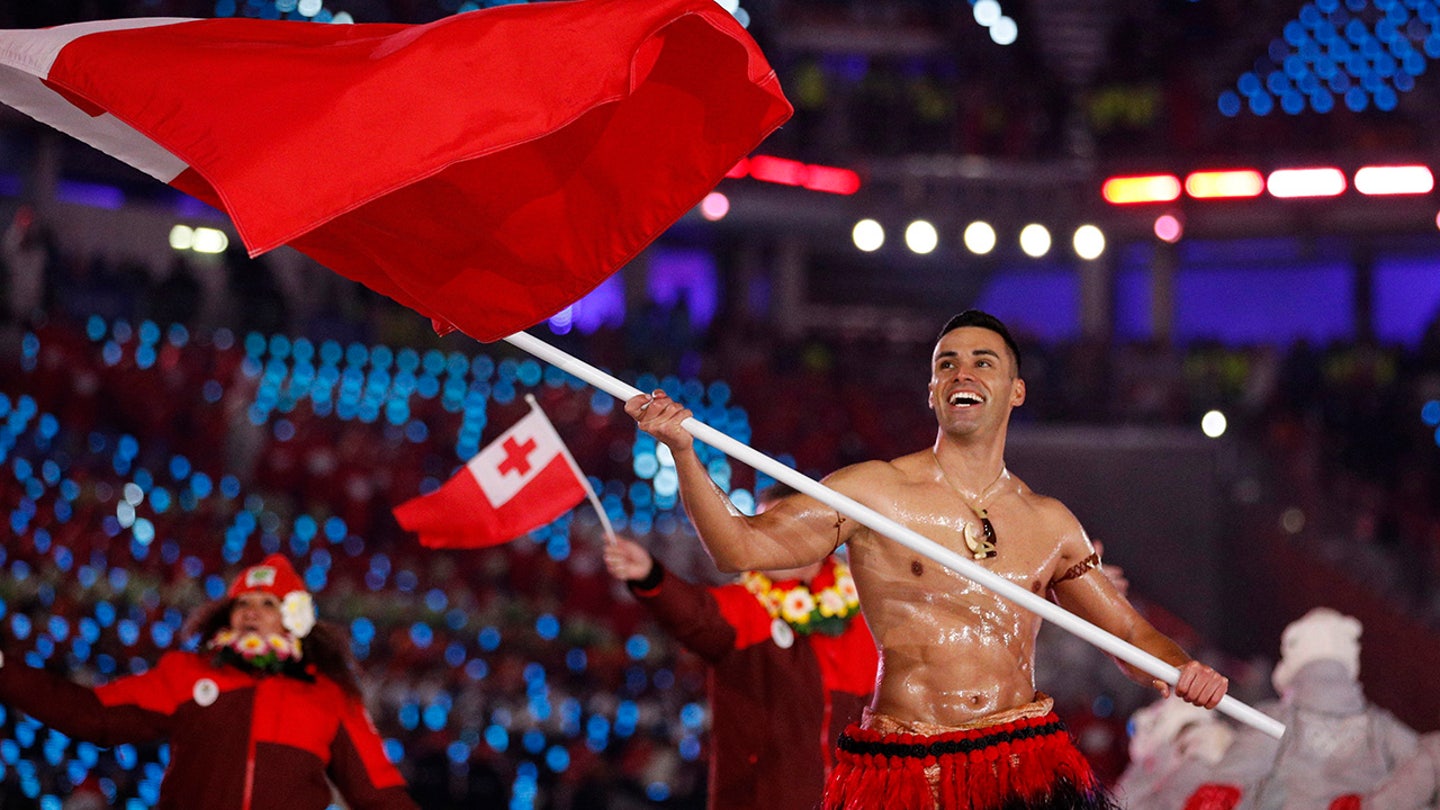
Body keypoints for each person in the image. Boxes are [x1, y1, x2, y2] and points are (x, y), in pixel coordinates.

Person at [625, 309, 1230, 810]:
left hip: (1024, 762)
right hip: (906, 767)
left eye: (982, 362)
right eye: (947, 364)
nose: (961, 372)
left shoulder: (1049, 522)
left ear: (1016, 390)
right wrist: (683, 451)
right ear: (933, 391)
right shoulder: (873, 492)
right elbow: (741, 547)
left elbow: (1125, 633)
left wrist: (1181, 671)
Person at [0, 554, 418, 810]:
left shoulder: (329, 697)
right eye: (242, 604)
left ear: (295, 618)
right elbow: (94, 715)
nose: (251, 613)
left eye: (267, 604)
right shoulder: (188, 674)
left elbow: (379, 796)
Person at [603, 482, 879, 808]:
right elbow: (694, 614)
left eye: (787, 527)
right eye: (763, 527)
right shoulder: (747, 605)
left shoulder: (868, 608)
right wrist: (650, 575)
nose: (771, 540)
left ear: (820, 535)